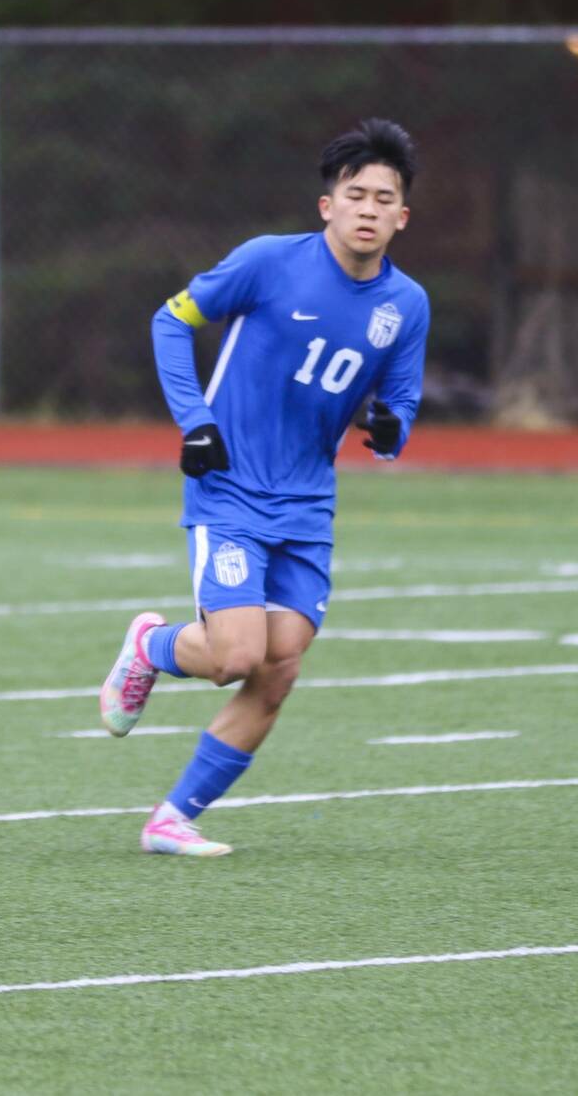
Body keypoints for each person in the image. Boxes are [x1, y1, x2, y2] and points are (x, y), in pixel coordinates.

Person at [99, 118, 430, 856]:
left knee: (280, 664)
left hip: (308, 504)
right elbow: (170, 318)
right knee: (237, 657)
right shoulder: (269, 263)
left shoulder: (406, 306)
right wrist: (194, 420)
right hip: (230, 488)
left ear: (402, 217)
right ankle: (150, 647)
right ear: (328, 205)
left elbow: (401, 409)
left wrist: (386, 430)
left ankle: (173, 817)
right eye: (356, 194)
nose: (369, 208)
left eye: (385, 198)